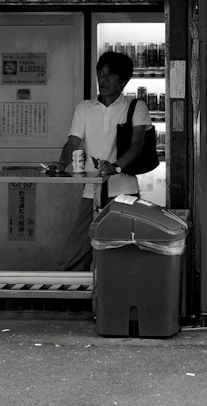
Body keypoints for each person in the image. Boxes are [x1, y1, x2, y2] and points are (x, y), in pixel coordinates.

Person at [56, 50, 149, 271]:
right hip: (92, 190)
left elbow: (137, 146)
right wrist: (60, 164)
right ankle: (70, 295)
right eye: (101, 73)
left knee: (121, 249)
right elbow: (72, 143)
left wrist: (115, 167)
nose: (103, 79)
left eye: (110, 74)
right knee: (77, 249)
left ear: (124, 80)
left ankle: (116, 294)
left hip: (124, 191)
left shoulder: (136, 107)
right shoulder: (84, 108)